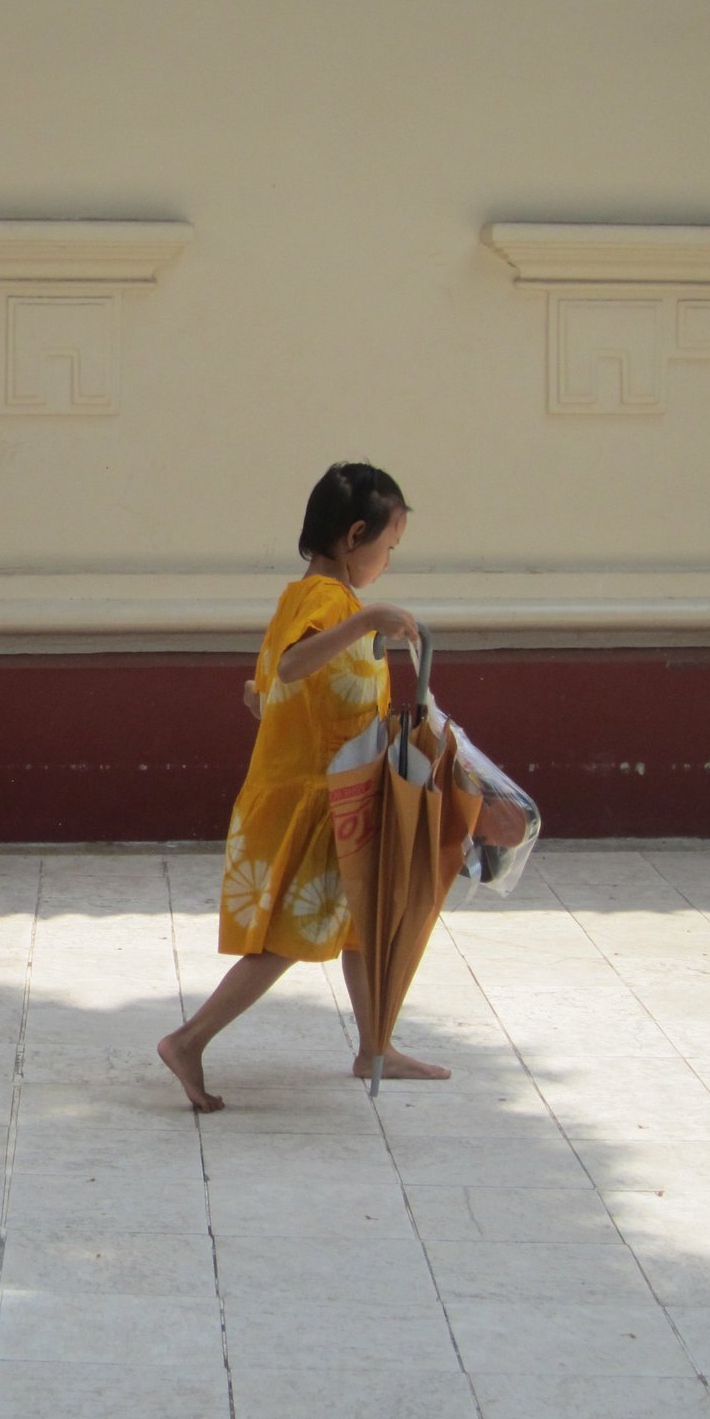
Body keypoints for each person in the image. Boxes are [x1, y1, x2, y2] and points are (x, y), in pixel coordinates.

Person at [158, 462, 450, 1111]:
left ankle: (376, 1046)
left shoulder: (301, 598)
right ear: (354, 537)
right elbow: (292, 665)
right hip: (314, 800)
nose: (388, 561)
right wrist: (367, 620)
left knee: (360, 927)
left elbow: (267, 689)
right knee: (288, 941)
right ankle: (189, 1039)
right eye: (388, 547)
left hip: (329, 793)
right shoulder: (329, 603)